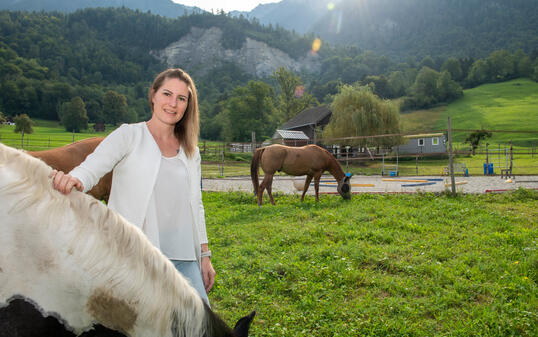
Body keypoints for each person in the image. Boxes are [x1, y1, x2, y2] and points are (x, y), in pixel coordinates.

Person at [51, 68, 215, 305]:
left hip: (184, 257)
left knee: (201, 325)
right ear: (153, 96)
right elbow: (93, 167)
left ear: (188, 105)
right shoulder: (129, 136)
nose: (173, 103)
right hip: (136, 256)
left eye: (181, 98)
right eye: (167, 94)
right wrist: (76, 179)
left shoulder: (191, 151)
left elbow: (196, 205)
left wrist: (204, 255)